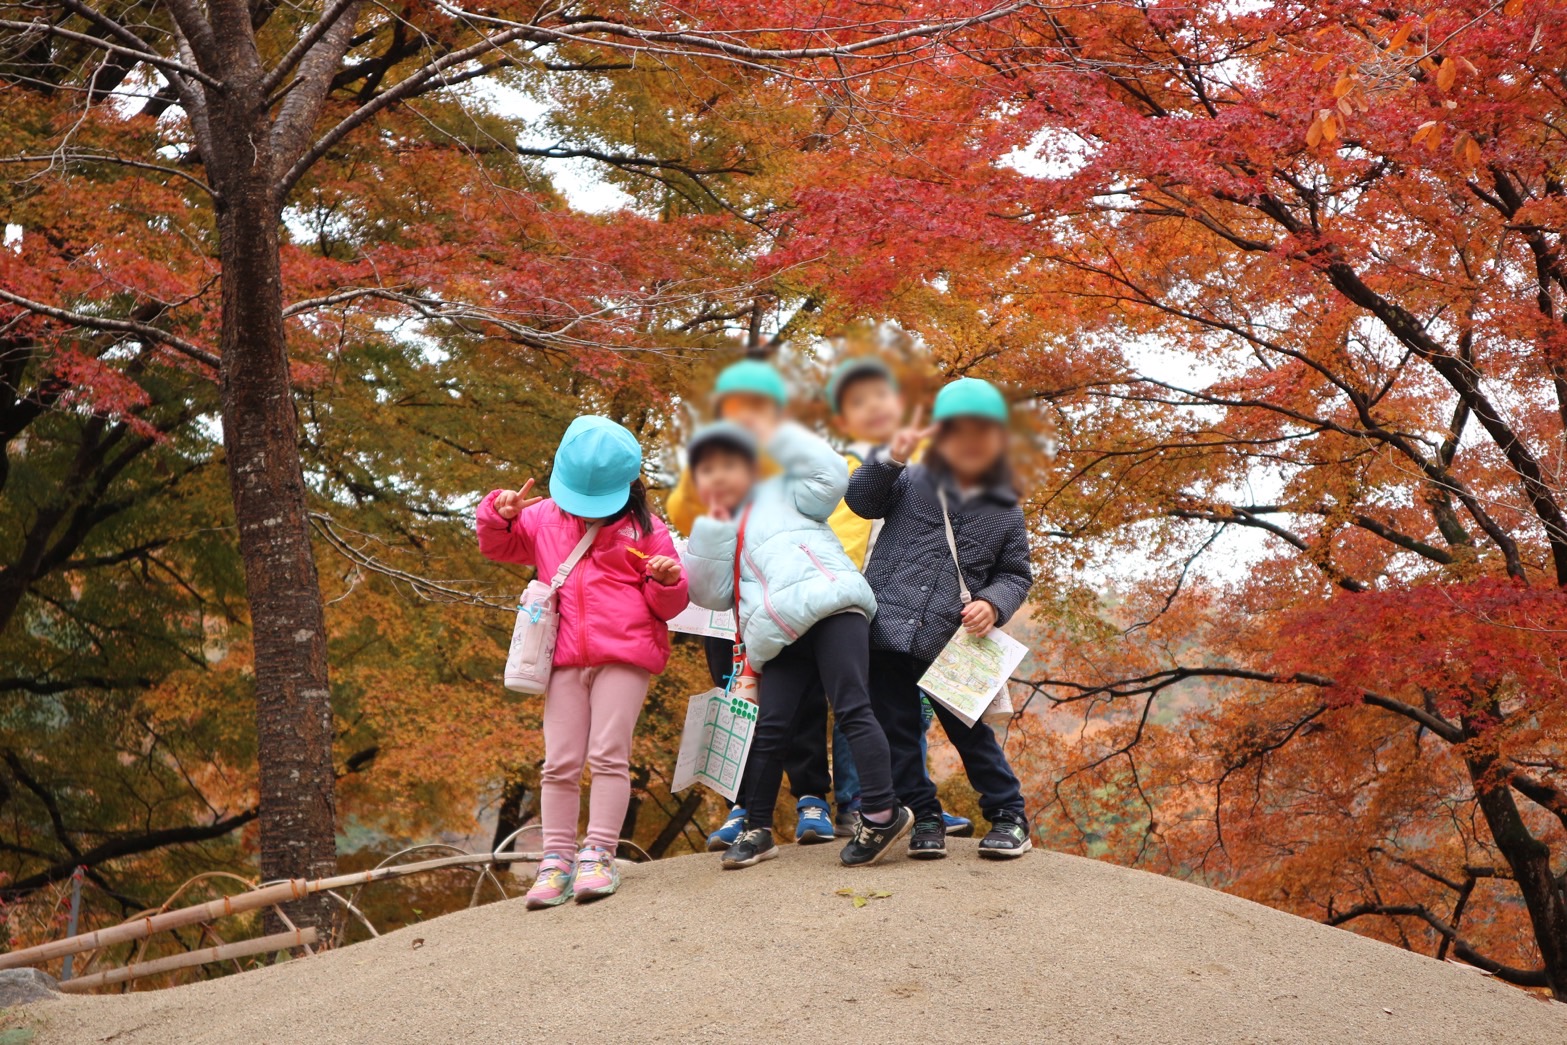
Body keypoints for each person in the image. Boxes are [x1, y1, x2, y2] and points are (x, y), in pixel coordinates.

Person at [476, 416, 689, 906]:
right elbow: (498, 545)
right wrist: (499, 512)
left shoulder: (648, 531)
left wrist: (665, 580)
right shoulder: (544, 516)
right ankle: (555, 861)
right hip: (565, 656)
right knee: (560, 761)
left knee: (608, 753)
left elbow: (670, 607)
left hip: (626, 653)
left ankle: (598, 854)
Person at [684, 417, 914, 869]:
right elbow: (708, 592)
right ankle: (758, 827)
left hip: (831, 604)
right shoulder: (714, 521)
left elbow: (832, 475)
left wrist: (779, 435)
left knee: (852, 706)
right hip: (778, 629)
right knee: (770, 726)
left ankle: (883, 813)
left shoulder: (784, 487)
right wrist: (710, 526)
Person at [845, 377, 1033, 860]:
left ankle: (1010, 815)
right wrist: (893, 456)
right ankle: (923, 814)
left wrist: (993, 603)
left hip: (953, 641)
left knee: (972, 735)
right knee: (897, 732)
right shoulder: (908, 480)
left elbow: (1015, 574)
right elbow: (859, 501)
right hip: (885, 629)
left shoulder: (1005, 509)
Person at [668, 360, 841, 850]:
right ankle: (741, 804)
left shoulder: (793, 462)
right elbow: (684, 512)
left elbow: (826, 492)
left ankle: (811, 796)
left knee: (803, 697)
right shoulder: (707, 458)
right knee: (734, 699)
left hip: (783, 602)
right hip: (724, 611)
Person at [824, 357, 975, 840]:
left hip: (908, 597)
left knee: (909, 707)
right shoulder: (835, 459)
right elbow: (845, 517)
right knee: (859, 699)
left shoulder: (919, 458)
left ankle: (913, 798)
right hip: (844, 588)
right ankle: (858, 801)